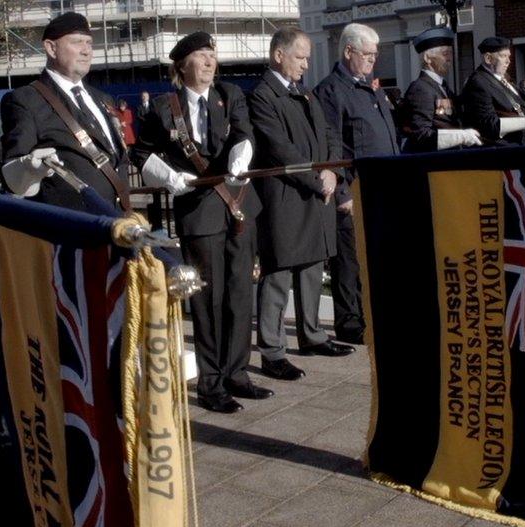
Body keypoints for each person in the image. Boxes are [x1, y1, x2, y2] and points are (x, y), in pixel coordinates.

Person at [131, 31, 267, 413]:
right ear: (182, 66)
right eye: (201, 56)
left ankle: (237, 374)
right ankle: (211, 383)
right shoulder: (163, 107)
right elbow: (141, 154)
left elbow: (244, 134)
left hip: (239, 204)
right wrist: (168, 175)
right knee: (208, 299)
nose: (210, 62)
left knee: (240, 293)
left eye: (212, 55)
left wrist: (241, 158)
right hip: (199, 212)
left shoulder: (229, 95)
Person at [249, 27, 353, 382]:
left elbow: (328, 137)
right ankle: (272, 351)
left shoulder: (305, 94)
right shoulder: (263, 96)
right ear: (279, 55)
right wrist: (316, 177)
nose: (306, 65)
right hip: (285, 198)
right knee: (278, 275)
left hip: (315, 193)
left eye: (307, 57)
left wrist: (332, 172)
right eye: (300, 57)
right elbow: (279, 149)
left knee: (311, 267)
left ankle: (312, 335)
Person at [314, 22, 399, 345]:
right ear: (348, 51)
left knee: (375, 259)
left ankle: (374, 316)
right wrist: (344, 193)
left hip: (383, 190)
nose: (373, 61)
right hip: (355, 191)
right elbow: (332, 146)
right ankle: (350, 323)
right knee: (349, 262)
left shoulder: (371, 88)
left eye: (375, 55)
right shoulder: (331, 91)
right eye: (368, 54)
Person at [0, 12, 130, 211]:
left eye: (89, 42)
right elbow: (13, 176)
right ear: (51, 48)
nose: (86, 51)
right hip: (70, 231)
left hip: (117, 224)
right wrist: (29, 169)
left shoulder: (102, 99)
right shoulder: (27, 100)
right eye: (77, 42)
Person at [399, 26, 481, 153]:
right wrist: (460, 137)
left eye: (450, 53)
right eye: (445, 54)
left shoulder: (442, 86)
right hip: (434, 161)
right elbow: (421, 134)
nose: (449, 58)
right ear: (427, 58)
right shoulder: (421, 89)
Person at [459, 36, 525, 145]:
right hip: (500, 150)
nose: (508, 61)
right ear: (488, 58)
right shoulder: (478, 83)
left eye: (509, 56)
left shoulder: (503, 78)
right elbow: (488, 125)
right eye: (503, 56)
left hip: (521, 144)